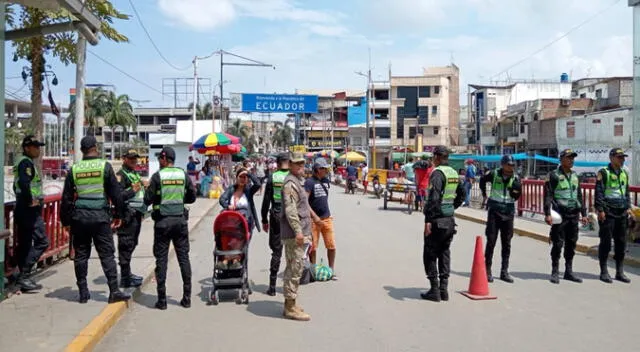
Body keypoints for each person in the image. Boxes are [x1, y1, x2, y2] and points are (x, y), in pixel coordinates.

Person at [60, 135, 129, 304]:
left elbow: (67, 198)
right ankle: (114, 291)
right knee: (106, 255)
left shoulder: (74, 169)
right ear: (96, 148)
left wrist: (66, 222)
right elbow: (116, 194)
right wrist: (119, 215)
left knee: (81, 255)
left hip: (80, 218)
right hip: (100, 217)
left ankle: (83, 292)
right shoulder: (104, 166)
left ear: (82, 150)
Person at [144, 147, 197, 310]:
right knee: (183, 258)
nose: (159, 161)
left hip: (162, 223)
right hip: (180, 222)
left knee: (161, 260)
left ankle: (162, 300)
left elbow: (147, 200)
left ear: (164, 159)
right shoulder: (183, 175)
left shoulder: (157, 176)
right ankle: (187, 298)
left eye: (160, 158)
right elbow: (192, 197)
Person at [421, 146, 465, 302]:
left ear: (437, 157)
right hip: (449, 220)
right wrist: (452, 208)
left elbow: (433, 199)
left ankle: (434, 290)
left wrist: (428, 220)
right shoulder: (453, 173)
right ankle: (444, 289)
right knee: (444, 253)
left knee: (430, 254)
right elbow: (462, 194)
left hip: (437, 220)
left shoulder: (437, 174)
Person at [543, 149, 587, 284]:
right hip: (560, 215)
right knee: (557, 243)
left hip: (573, 214)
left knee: (571, 243)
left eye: (573, 158)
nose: (571, 160)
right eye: (568, 158)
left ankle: (568, 271)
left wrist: (584, 213)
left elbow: (579, 195)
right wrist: (547, 213)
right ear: (561, 159)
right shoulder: (553, 175)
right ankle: (555, 271)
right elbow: (548, 195)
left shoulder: (575, 176)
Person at [13, 135, 49, 292]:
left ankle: (21, 276)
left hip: (22, 208)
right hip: (28, 210)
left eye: (39, 146)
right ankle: (24, 276)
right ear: (27, 147)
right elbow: (23, 182)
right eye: (35, 147)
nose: (38, 149)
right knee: (42, 241)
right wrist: (30, 200)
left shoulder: (24, 161)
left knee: (26, 244)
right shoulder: (26, 163)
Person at [479, 155, 522, 283]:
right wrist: (484, 194)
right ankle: (487, 270)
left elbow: (518, 194)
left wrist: (515, 192)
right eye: (509, 165)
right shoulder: (493, 174)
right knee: (491, 241)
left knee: (507, 243)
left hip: (508, 212)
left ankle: (504, 271)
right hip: (495, 211)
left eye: (512, 165)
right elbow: (482, 180)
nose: (511, 167)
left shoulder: (516, 178)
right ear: (502, 165)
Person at [280, 153, 312, 321]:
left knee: (295, 267)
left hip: (299, 232)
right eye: (297, 163)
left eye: (302, 163)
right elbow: (291, 210)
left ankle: (290, 302)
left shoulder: (297, 181)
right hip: (294, 234)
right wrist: (298, 231)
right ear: (290, 165)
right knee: (295, 267)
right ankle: (290, 308)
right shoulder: (291, 184)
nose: (301, 166)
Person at [595, 148, 632, 284]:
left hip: (621, 212)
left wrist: (628, 207)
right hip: (608, 212)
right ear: (611, 158)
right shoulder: (603, 172)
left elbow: (626, 191)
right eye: (619, 157)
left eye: (623, 157)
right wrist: (601, 210)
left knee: (621, 243)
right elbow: (599, 192)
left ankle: (619, 272)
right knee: (605, 242)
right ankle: (604, 271)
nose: (622, 160)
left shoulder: (624, 173)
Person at [115, 149, 148, 288]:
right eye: (131, 158)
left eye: (136, 158)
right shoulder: (121, 175)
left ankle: (127, 274)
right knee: (126, 245)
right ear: (124, 159)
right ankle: (125, 278)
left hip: (137, 214)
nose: (134, 161)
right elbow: (118, 196)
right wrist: (131, 190)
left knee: (132, 243)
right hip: (127, 215)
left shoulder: (134, 173)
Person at [260, 153, 290, 296]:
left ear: (277, 164)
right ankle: (290, 287)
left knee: (276, 252)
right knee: (291, 253)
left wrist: (264, 219)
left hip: (276, 216)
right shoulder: (294, 177)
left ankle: (272, 287)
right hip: (291, 217)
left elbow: (266, 200)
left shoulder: (273, 177)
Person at [305, 158, 337, 278]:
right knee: (313, 248)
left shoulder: (325, 180)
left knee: (332, 245)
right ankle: (312, 272)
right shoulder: (309, 182)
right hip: (314, 220)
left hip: (327, 218)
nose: (327, 171)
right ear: (318, 169)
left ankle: (331, 270)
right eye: (324, 168)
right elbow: (305, 201)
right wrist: (314, 216)